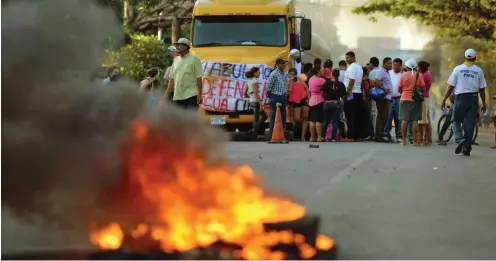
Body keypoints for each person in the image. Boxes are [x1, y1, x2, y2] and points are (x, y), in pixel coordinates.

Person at [441, 49, 487, 156]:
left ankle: (459, 139)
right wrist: (484, 103)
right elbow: (482, 89)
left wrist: (444, 99)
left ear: (465, 57)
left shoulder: (458, 69)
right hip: (473, 99)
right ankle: (467, 149)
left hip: (460, 98)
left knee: (456, 119)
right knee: (470, 124)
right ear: (475, 58)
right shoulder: (478, 71)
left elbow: (450, 87)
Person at [164, 38, 204, 109]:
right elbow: (172, 80)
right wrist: (165, 96)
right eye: (176, 45)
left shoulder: (195, 59)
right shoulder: (176, 60)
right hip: (178, 95)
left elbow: (199, 78)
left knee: (190, 118)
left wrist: (200, 94)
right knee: (180, 119)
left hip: (191, 95)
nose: (177, 47)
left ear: (186, 47)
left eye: (179, 45)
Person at [398, 59, 425, 146]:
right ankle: (415, 142)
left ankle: (403, 141)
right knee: (415, 120)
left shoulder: (403, 75)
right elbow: (423, 88)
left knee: (404, 120)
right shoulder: (419, 75)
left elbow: (399, 88)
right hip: (416, 100)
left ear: (407, 67)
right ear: (415, 67)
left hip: (404, 99)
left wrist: (404, 92)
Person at [343, 51, 364, 142]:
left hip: (352, 93)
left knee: (350, 115)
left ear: (353, 58)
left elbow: (351, 81)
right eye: (346, 58)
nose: (347, 60)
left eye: (349, 58)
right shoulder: (359, 67)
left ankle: (350, 136)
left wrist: (347, 93)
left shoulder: (352, 67)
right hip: (358, 92)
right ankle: (356, 136)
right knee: (356, 116)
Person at [266, 58, 289, 141]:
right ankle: (273, 135)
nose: (284, 65)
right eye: (283, 63)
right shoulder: (274, 74)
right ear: (278, 64)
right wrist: (270, 97)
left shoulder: (283, 73)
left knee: (283, 116)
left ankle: (282, 135)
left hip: (283, 96)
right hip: (275, 97)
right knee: (274, 116)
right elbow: (268, 86)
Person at [372, 57, 393, 143]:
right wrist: (383, 88)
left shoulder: (386, 72)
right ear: (384, 63)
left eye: (391, 63)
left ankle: (379, 135)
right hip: (383, 98)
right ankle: (379, 136)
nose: (390, 65)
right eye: (389, 63)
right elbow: (375, 81)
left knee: (383, 116)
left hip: (387, 98)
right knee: (382, 116)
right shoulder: (381, 71)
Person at [321, 68, 346, 141]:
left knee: (325, 120)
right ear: (339, 75)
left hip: (327, 103)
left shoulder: (327, 83)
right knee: (335, 120)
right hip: (336, 103)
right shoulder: (341, 84)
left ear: (332, 74)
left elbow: (322, 92)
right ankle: (333, 137)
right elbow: (344, 95)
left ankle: (323, 137)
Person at [244, 67, 268, 140]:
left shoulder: (248, 81)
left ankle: (254, 134)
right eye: (258, 72)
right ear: (254, 73)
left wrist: (250, 96)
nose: (259, 74)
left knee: (256, 118)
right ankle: (253, 132)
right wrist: (260, 104)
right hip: (256, 101)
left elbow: (244, 93)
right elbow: (256, 93)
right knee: (264, 116)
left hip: (251, 101)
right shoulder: (255, 81)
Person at [383, 58, 403, 142]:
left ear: (400, 66)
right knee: (388, 117)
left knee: (398, 118)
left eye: (397, 65)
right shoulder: (388, 73)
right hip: (389, 99)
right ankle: (386, 134)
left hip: (399, 98)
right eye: (394, 64)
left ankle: (399, 135)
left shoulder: (403, 75)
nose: (395, 66)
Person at [288, 68, 310, 141]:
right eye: (291, 74)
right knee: (296, 118)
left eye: (293, 74)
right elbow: (289, 93)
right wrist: (291, 83)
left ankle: (303, 136)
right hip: (295, 100)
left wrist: (308, 98)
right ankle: (308, 123)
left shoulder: (300, 79)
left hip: (303, 99)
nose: (292, 75)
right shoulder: (288, 82)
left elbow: (307, 88)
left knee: (305, 117)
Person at [308, 67, 326, 141]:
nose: (323, 72)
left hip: (311, 100)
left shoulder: (310, 79)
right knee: (318, 120)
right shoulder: (322, 80)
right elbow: (325, 91)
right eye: (322, 70)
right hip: (319, 100)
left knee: (312, 120)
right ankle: (319, 137)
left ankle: (312, 137)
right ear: (318, 71)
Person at [418, 61, 433, 145]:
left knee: (424, 119)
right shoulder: (425, 74)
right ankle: (427, 138)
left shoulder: (426, 75)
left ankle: (424, 138)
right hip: (423, 97)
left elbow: (423, 87)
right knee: (425, 118)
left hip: (423, 97)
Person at [368, 57, 380, 135]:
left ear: (372, 64)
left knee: (374, 112)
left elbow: (371, 84)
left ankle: (374, 131)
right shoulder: (381, 71)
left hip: (374, 94)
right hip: (382, 94)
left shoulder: (372, 72)